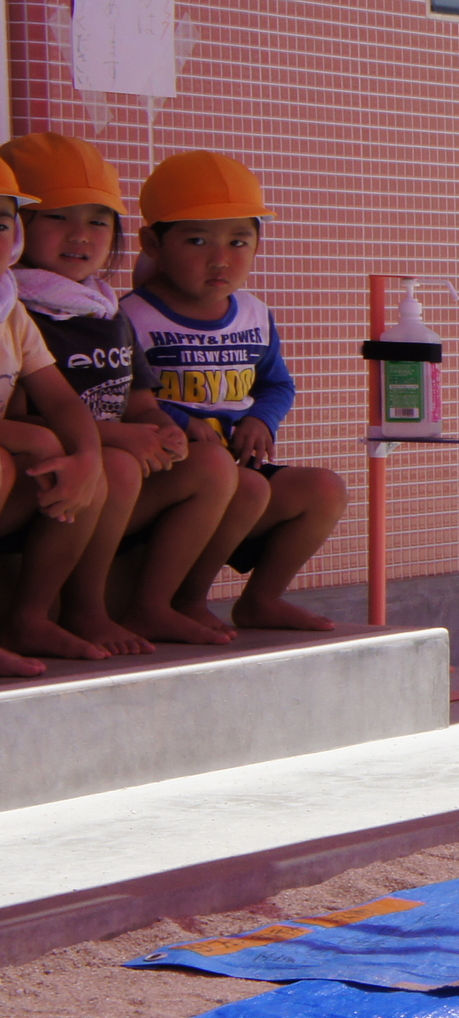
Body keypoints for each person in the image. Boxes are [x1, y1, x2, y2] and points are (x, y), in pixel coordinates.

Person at [3, 131, 240, 651]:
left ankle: (154, 605)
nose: (81, 235)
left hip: (99, 469)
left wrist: (162, 429)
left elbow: (138, 401)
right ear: (17, 229)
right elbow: (24, 421)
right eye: (58, 217)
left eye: (98, 220)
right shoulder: (19, 310)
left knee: (214, 466)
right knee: (118, 465)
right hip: (47, 477)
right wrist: (113, 439)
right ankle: (82, 610)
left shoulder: (106, 310)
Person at [125, 151, 345, 633]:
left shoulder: (253, 314)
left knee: (324, 488)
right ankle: (184, 601)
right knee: (239, 485)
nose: (220, 259)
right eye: (197, 240)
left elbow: (277, 383)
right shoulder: (132, 317)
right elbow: (123, 398)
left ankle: (260, 600)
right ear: (153, 245)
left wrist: (261, 418)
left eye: (239, 241)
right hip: (173, 474)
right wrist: (185, 425)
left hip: (238, 465)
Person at [0, 153, 117, 676]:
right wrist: (33, 440)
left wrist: (87, 453)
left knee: (91, 467)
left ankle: (28, 617)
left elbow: (60, 398)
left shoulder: (9, 308)